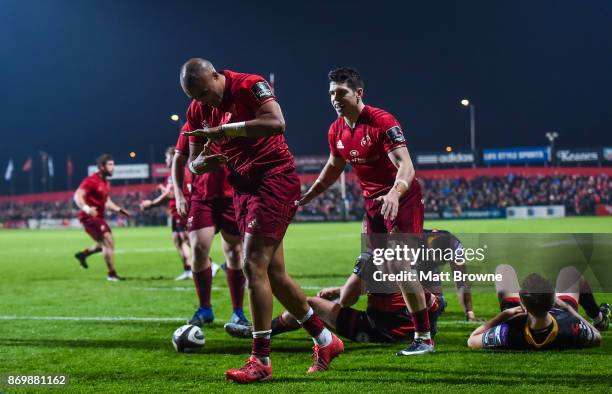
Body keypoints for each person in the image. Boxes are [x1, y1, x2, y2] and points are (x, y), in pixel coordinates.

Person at [181, 58, 343, 383]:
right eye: (196, 97)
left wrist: (226, 130)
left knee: (253, 265)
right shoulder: (198, 110)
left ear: (216, 75)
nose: (203, 101)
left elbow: (277, 122)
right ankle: (326, 341)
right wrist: (201, 165)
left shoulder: (248, 84)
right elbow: (193, 158)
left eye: (205, 92)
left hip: (274, 178)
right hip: (242, 187)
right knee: (276, 275)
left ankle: (261, 360)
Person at [297, 67, 432, 356]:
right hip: (373, 204)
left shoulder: (382, 121)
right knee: (377, 266)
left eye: (341, 92)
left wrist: (395, 193)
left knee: (398, 265)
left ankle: (424, 338)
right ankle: (429, 304)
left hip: (403, 198)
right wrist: (313, 192)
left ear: (358, 93)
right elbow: (334, 167)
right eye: (331, 93)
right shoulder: (336, 129)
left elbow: (406, 165)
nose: (335, 98)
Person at [225, 251, 445, 344]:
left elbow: (349, 299)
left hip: (380, 328)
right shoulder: (411, 245)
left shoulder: (372, 252)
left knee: (308, 304)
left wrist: (343, 292)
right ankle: (425, 330)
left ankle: (260, 331)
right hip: (415, 323)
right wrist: (338, 290)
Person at [172, 128, 247, 327]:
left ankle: (238, 312)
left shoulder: (232, 117)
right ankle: (205, 308)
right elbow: (178, 159)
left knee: (234, 251)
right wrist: (179, 194)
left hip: (232, 195)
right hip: (202, 197)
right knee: (198, 249)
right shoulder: (192, 123)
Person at [467, 265, 607, 350]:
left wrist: (503, 316)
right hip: (560, 316)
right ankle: (599, 317)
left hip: (520, 319)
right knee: (570, 272)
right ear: (553, 299)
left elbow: (472, 339)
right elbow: (597, 337)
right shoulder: (572, 328)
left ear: (522, 303)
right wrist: (569, 310)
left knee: (503, 269)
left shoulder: (507, 333)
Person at [73, 154, 129, 281]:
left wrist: (119, 210)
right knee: (108, 242)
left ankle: (83, 254)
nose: (113, 168)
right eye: (110, 165)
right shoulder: (91, 180)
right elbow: (77, 196)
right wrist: (87, 209)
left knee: (104, 243)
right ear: (101, 167)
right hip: (89, 218)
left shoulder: (105, 183)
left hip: (98, 217)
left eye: (113, 165)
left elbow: (107, 202)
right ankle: (112, 274)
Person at [140, 146, 193, 280]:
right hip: (177, 211)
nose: (165, 160)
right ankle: (188, 269)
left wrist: (151, 204)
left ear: (174, 157)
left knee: (186, 240)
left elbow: (170, 194)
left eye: (167, 157)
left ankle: (208, 264)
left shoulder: (176, 172)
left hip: (181, 210)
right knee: (178, 240)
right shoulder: (181, 171)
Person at [418, 229, 476, 320]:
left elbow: (461, 281)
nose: (437, 261)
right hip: (417, 257)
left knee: (437, 302)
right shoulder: (416, 243)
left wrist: (469, 311)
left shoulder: (456, 247)